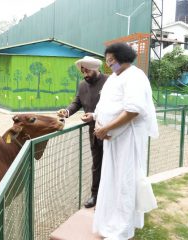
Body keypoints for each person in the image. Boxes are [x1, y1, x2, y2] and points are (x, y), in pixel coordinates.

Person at [92, 43, 159, 239]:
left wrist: (106, 128)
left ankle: (122, 228)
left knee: (125, 181)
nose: (109, 64)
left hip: (128, 138)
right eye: (107, 61)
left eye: (111, 60)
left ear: (123, 58)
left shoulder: (135, 77)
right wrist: (96, 118)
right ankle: (109, 220)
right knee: (113, 180)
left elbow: (133, 109)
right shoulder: (114, 77)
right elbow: (106, 103)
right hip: (113, 139)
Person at [57, 56, 108, 208]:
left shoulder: (109, 81)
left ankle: (110, 196)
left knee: (112, 164)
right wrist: (66, 112)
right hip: (93, 131)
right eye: (83, 71)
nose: (85, 74)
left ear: (96, 68)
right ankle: (95, 195)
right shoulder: (82, 85)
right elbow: (76, 102)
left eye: (87, 70)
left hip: (111, 131)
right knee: (96, 164)